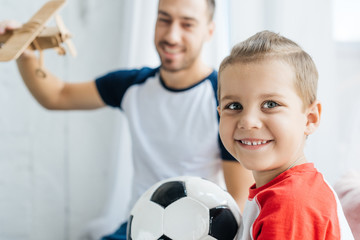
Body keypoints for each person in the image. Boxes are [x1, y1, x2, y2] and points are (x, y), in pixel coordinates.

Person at [0, 0, 253, 239]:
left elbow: (239, 198)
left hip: (198, 230)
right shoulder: (132, 86)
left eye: (187, 24)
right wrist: (23, 51)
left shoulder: (224, 99)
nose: (171, 36)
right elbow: (57, 96)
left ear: (209, 32)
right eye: (164, 20)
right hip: (141, 224)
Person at [217, 30, 354, 239]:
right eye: (234, 105)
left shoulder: (291, 203)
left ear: (310, 118)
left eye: (270, 104)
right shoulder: (279, 193)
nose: (248, 121)